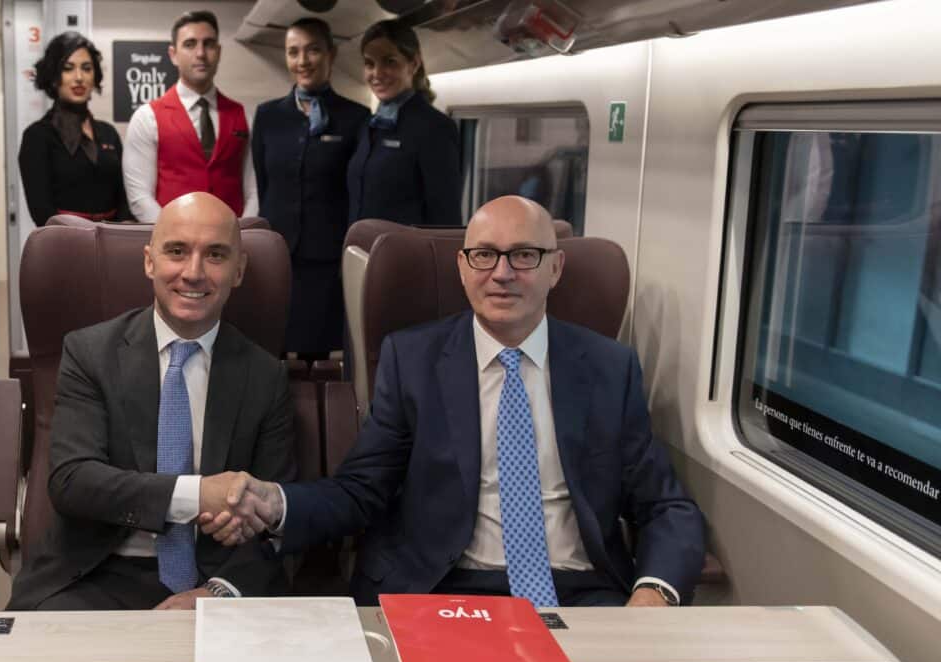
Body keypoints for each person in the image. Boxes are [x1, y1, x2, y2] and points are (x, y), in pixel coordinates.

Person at [205, 196, 706, 607]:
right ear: (462, 268)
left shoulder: (609, 367)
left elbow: (666, 505)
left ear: (556, 268)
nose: (502, 273)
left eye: (524, 255)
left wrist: (653, 594)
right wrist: (275, 504)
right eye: (484, 255)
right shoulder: (414, 360)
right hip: (443, 588)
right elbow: (361, 491)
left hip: (579, 592)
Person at [6, 192, 295, 611]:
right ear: (149, 261)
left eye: (215, 255)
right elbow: (73, 481)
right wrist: (198, 495)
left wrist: (218, 592)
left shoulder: (265, 376)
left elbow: (272, 515)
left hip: (210, 581)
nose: (193, 273)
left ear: (239, 270)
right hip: (93, 575)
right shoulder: (90, 353)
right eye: (177, 252)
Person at [251, 18, 370, 360]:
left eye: (313, 50)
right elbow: (264, 182)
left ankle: (322, 413)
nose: (302, 60)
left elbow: (354, 191)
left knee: (320, 352)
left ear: (331, 55)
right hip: (277, 254)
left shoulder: (355, 117)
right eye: (293, 52)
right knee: (273, 347)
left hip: (328, 257)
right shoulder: (268, 116)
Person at [122, 10, 258, 222]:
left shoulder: (243, 116)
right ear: (173, 54)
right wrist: (175, 236)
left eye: (209, 44)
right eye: (190, 44)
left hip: (231, 244)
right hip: (171, 246)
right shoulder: (147, 117)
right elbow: (139, 197)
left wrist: (241, 234)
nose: (201, 53)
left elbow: (253, 189)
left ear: (219, 52)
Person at [347, 20, 461, 227]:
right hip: (361, 252)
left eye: (389, 61)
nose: (377, 73)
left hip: (406, 256)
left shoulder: (435, 127)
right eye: (369, 64)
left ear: (414, 64)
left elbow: (445, 216)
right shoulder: (368, 125)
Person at [19, 32, 132, 226]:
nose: (79, 77)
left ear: (94, 76)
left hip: (112, 242)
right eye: (68, 68)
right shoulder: (37, 136)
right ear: (54, 77)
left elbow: (124, 197)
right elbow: (42, 213)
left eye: (86, 68)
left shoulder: (108, 133)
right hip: (65, 245)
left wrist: (119, 235)